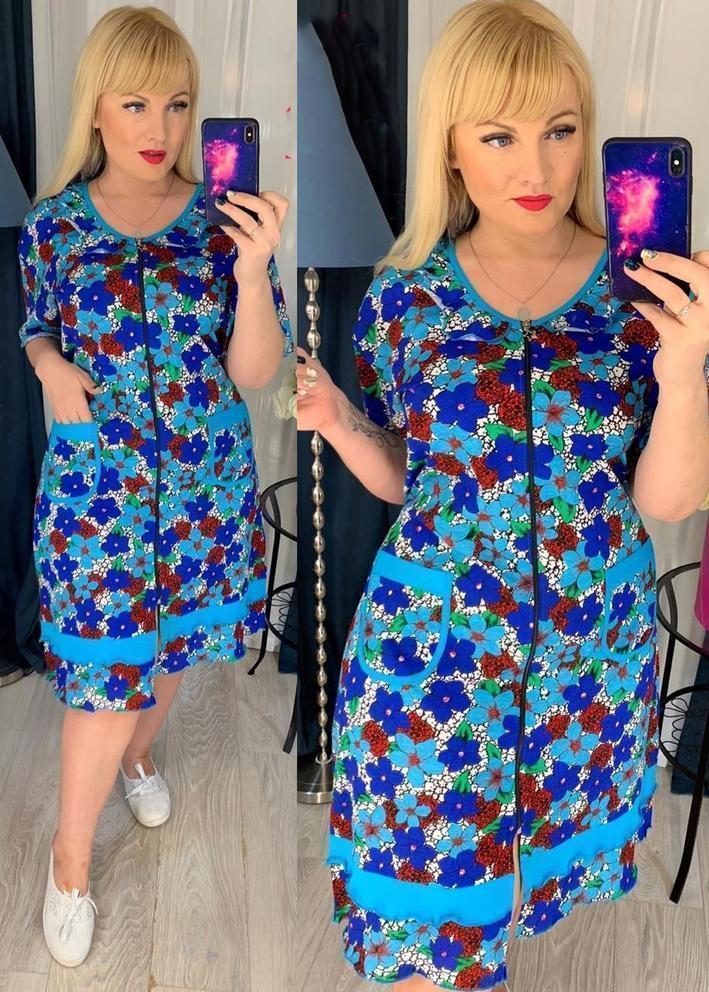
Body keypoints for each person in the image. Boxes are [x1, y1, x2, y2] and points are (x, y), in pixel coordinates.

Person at [296, 1, 709, 989]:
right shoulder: (406, 295)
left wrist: (685, 368)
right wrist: (344, 424)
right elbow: (414, 477)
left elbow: (665, 499)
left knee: (516, 892)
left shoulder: (643, 296)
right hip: (432, 650)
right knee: (423, 917)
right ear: (449, 147)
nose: (537, 166)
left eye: (560, 129)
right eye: (499, 136)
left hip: (584, 654)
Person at [17, 5, 292, 969]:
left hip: (205, 489)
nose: (160, 127)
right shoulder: (54, 225)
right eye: (135, 103)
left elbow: (254, 371)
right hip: (98, 493)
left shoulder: (223, 226)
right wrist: (49, 365)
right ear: (96, 107)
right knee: (102, 682)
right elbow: (38, 324)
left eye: (178, 104)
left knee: (171, 654)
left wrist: (252, 271)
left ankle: (141, 756)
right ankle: (70, 861)